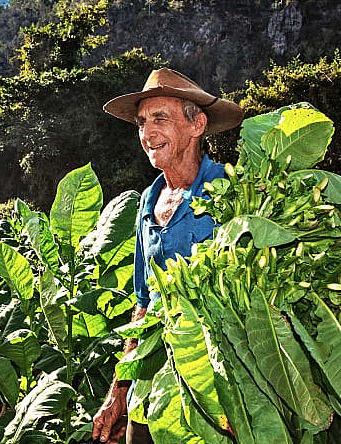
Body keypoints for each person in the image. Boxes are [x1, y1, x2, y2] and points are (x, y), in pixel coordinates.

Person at [91, 68, 243, 444]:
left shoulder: (229, 192)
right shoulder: (147, 200)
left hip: (217, 385)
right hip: (153, 378)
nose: (147, 133)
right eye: (142, 123)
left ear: (197, 124)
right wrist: (119, 393)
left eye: (160, 119)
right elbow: (144, 303)